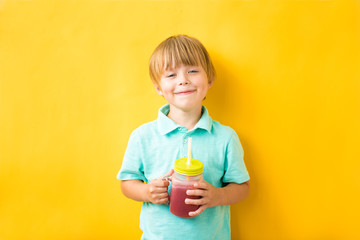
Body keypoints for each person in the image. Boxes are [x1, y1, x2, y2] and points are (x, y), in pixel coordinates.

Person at [117, 34, 250, 240]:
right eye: (171, 75)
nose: (183, 80)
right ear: (158, 87)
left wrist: (218, 195)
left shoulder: (225, 137)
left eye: (193, 71)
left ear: (210, 79)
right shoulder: (143, 136)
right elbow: (127, 183)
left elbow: (242, 188)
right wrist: (147, 192)